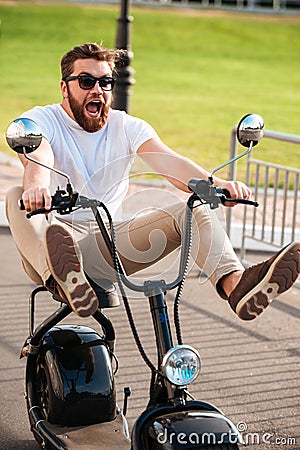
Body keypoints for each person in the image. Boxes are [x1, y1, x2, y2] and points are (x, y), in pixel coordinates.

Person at [6, 43, 300, 320]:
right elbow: (38, 154)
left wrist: (215, 185)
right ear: (64, 87)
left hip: (105, 242)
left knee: (191, 209)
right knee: (14, 195)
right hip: (50, 235)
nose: (98, 90)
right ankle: (62, 278)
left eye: (106, 83)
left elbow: (169, 161)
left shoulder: (126, 126)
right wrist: (36, 187)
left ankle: (236, 286)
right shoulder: (43, 119)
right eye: (86, 81)